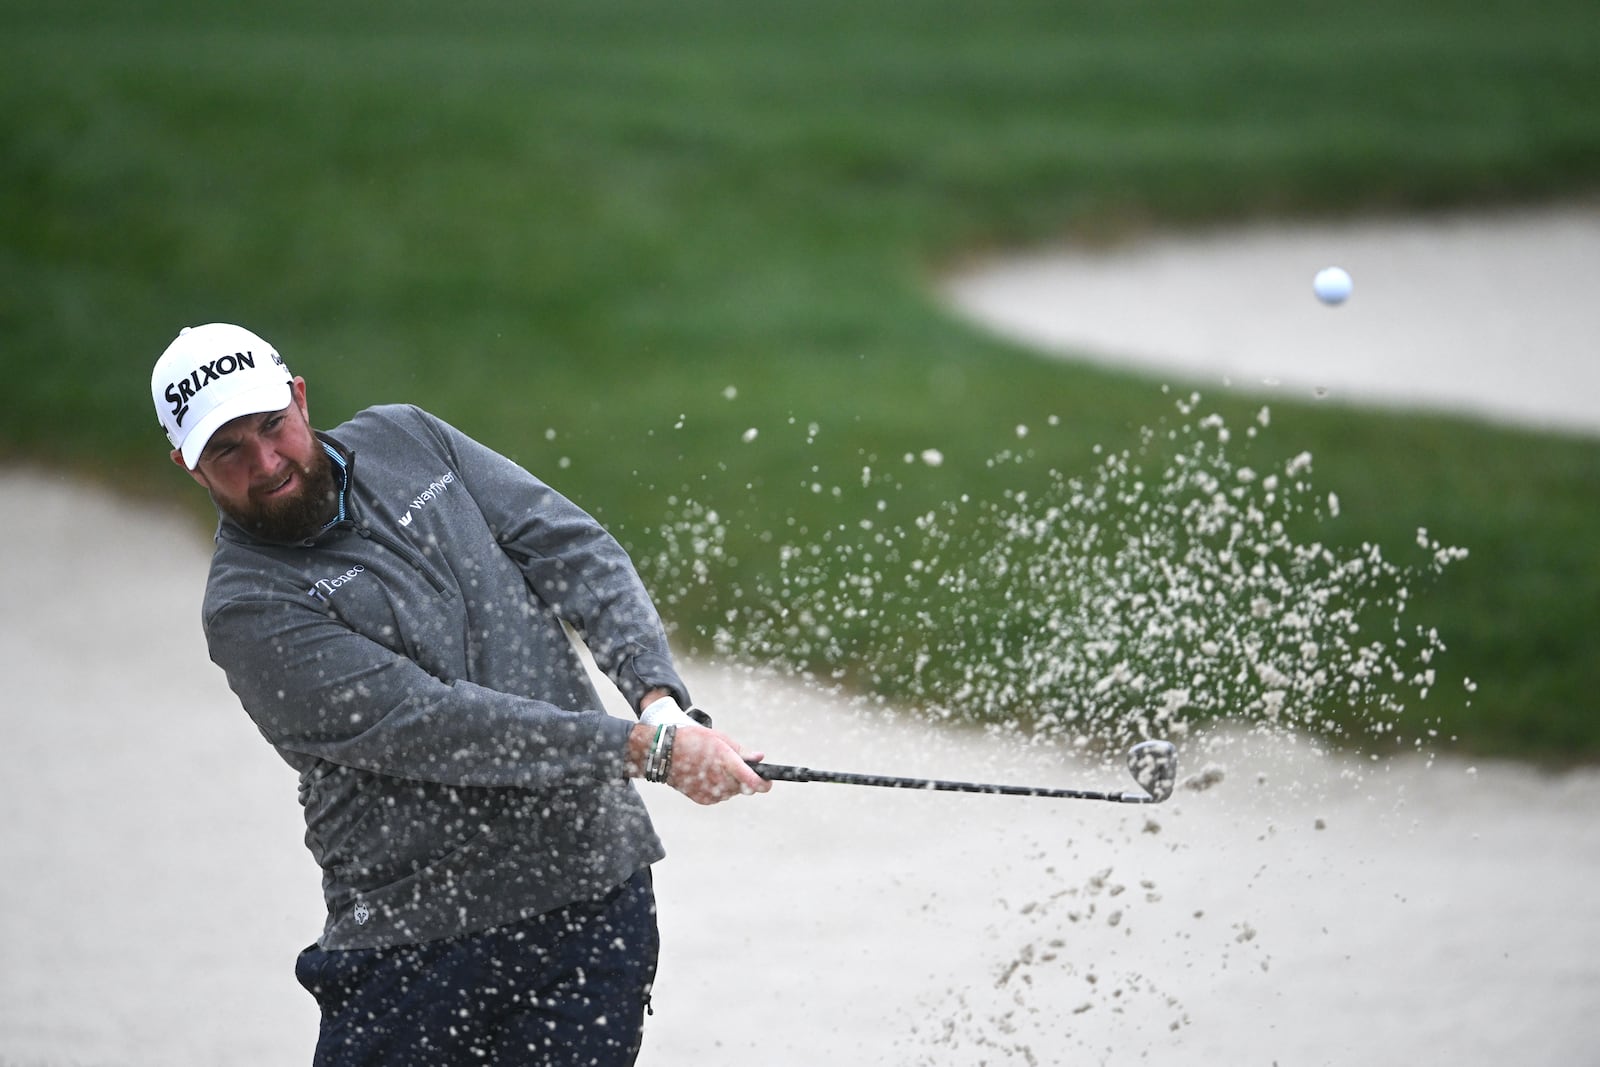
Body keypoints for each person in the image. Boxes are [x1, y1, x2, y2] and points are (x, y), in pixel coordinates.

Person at [150, 322, 771, 1065]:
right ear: (191, 466)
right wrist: (648, 750)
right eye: (228, 449)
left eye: (271, 425)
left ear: (300, 398)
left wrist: (660, 701)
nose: (266, 459)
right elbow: (431, 724)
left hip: (592, 892)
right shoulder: (248, 606)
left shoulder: (405, 437)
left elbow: (568, 544)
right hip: (416, 945)